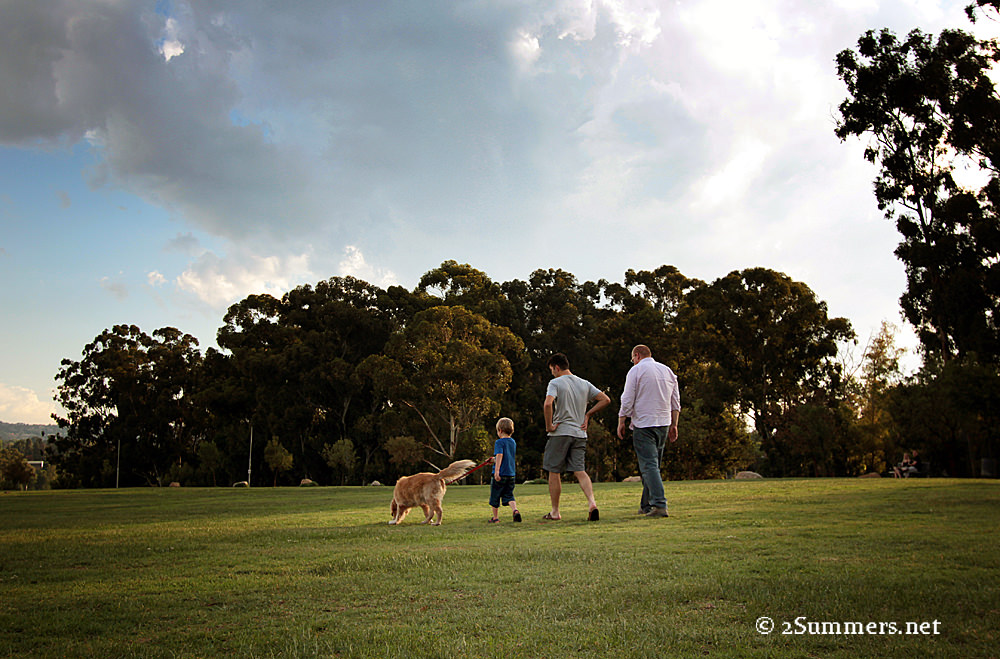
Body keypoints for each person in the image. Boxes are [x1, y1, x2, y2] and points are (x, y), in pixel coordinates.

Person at [542, 353, 611, 521]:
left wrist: (549, 426)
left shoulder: (555, 383)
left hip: (560, 433)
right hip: (580, 434)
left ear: (556, 368)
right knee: (580, 470)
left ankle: (555, 512)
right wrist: (587, 415)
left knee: (554, 471)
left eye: (552, 370)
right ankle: (592, 503)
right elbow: (605, 399)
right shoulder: (584, 383)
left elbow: (548, 403)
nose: (552, 373)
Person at [617, 345, 681, 518]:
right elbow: (675, 401)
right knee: (653, 467)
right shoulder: (667, 371)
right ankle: (646, 505)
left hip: (644, 424)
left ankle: (660, 504)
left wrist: (622, 420)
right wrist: (674, 424)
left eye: (632, 359)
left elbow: (627, 398)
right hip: (663, 424)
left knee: (649, 466)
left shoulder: (636, 371)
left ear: (636, 356)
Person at [488, 417, 521, 523]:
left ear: (500, 430)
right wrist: (493, 460)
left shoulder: (499, 442)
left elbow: (500, 455)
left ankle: (495, 518)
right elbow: (506, 457)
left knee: (495, 496)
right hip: (511, 474)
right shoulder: (512, 442)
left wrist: (497, 471)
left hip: (500, 474)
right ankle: (515, 510)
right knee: (509, 495)